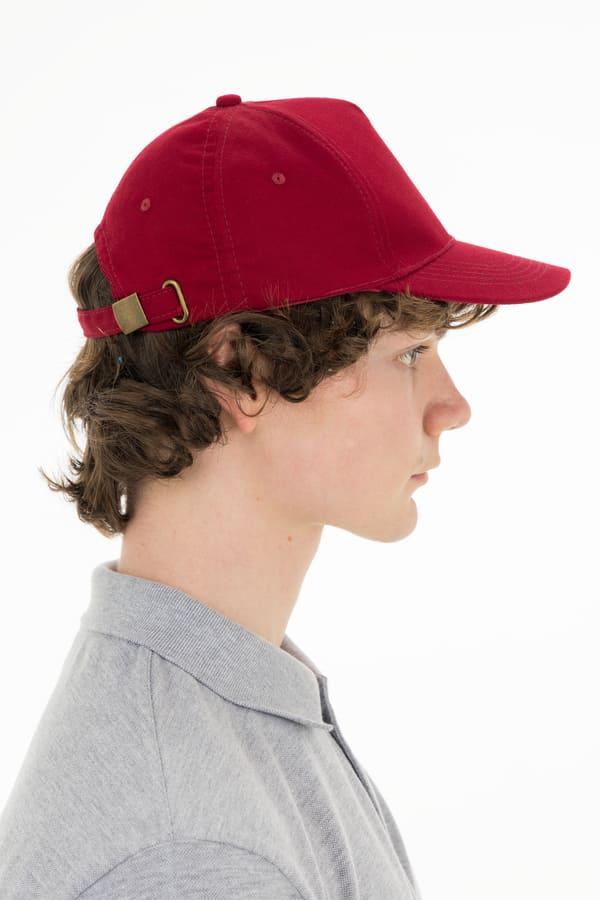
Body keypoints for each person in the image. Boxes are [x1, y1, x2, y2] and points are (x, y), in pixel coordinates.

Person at [0, 93, 571, 899]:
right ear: (240, 370)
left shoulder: (226, 703)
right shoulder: (188, 854)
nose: (454, 407)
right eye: (410, 354)